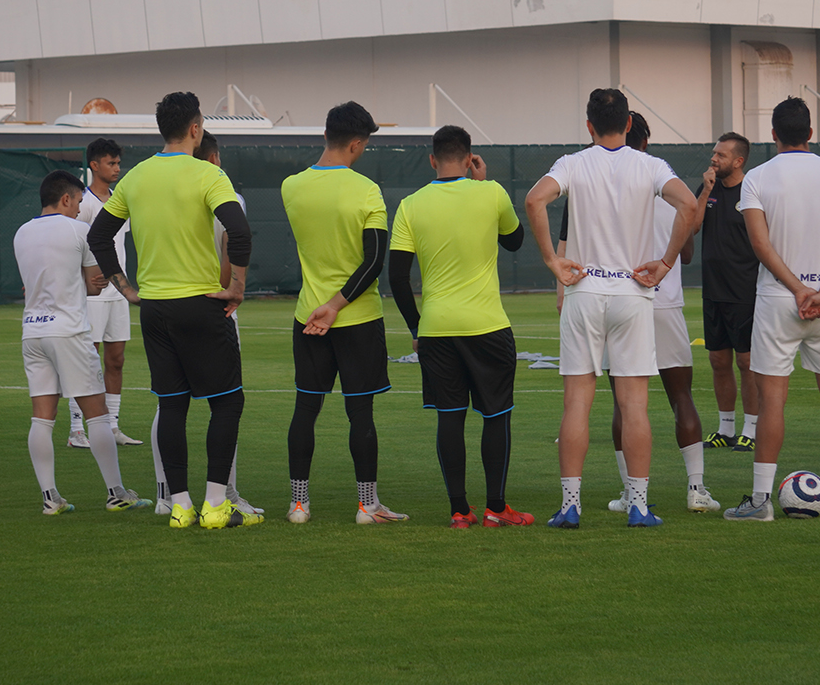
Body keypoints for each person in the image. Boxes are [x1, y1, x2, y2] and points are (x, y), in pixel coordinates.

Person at [524, 88, 696, 528]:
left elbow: (534, 200)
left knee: (576, 405)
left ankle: (570, 506)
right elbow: (689, 205)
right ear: (627, 124)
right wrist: (665, 262)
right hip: (632, 294)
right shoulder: (652, 165)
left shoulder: (573, 162)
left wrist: (551, 260)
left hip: (584, 292)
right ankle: (638, 504)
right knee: (634, 405)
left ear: (588, 125)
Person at [87, 91, 259, 529]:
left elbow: (99, 235)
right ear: (196, 128)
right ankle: (216, 504)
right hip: (201, 304)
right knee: (227, 403)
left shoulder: (136, 177)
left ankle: (180, 505)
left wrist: (126, 288)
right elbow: (238, 231)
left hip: (156, 309)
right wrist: (236, 287)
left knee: (173, 405)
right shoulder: (207, 174)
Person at [721, 97, 820, 521]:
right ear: (810, 132)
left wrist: (799, 289)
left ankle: (761, 502)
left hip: (778, 301)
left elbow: (760, 245)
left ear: (772, 135)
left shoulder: (758, 178)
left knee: (772, 401)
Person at [389, 125, 532, 528]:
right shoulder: (492, 192)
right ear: (470, 160)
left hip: (437, 330)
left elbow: (398, 277)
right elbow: (515, 241)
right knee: (496, 415)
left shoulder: (410, 205)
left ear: (432, 160)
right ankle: (496, 508)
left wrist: (417, 328)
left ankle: (458, 510)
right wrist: (482, 184)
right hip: (487, 326)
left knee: (449, 417)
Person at [281, 102, 405, 525]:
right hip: (356, 318)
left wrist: (323, 306)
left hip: (307, 318)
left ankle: (299, 504)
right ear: (356, 143)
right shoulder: (367, 190)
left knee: (305, 409)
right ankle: (366, 505)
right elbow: (372, 264)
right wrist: (336, 306)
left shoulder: (291, 187)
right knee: (360, 414)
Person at [14, 170, 151, 514]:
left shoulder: (21, 233)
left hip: (32, 330)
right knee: (98, 414)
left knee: (42, 417)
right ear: (65, 199)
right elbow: (94, 283)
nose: (79, 208)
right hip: (70, 331)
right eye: (77, 201)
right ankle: (116, 492)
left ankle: (50, 498)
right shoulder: (79, 230)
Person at [600, 113, 717, 513]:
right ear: (646, 143)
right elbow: (685, 251)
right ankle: (696, 489)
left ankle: (631, 494)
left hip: (619, 302)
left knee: (623, 404)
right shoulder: (667, 187)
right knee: (680, 395)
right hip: (663, 301)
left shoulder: (603, 189)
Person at [68, 137, 141, 449]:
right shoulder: (83, 204)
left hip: (118, 294)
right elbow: (73, 248)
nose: (116, 169)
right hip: (92, 294)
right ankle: (76, 429)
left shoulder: (119, 200)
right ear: (93, 165)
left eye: (118, 163)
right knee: (87, 357)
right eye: (110, 163)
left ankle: (112, 426)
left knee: (116, 358)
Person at [695, 131, 759, 451]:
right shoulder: (709, 189)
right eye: (714, 153)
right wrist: (705, 191)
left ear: (738, 161)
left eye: (720, 155)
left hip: (745, 291)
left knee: (746, 362)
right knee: (719, 361)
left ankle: (752, 429)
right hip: (713, 289)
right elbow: (691, 226)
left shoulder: (753, 191)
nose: (714, 159)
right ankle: (725, 429)